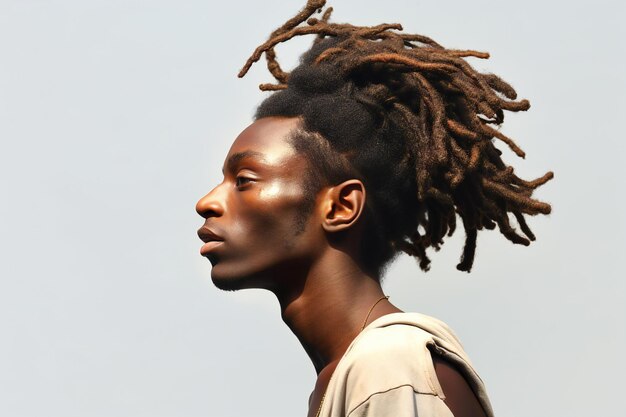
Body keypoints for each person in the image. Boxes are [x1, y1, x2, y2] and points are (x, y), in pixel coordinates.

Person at [196, 1, 552, 416]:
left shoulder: (388, 367)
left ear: (341, 207)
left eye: (244, 181)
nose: (208, 202)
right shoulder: (355, 374)